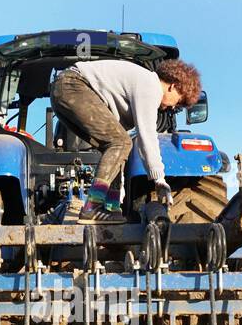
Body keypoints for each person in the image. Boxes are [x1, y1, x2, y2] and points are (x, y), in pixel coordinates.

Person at [50, 57, 202, 222]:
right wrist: (159, 179)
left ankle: (110, 207)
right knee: (122, 142)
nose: (173, 107)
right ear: (173, 86)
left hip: (64, 89)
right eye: (178, 102)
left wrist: (115, 203)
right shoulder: (151, 86)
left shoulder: (136, 86)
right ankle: (92, 206)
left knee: (115, 147)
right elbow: (147, 136)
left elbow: (117, 153)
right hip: (73, 86)